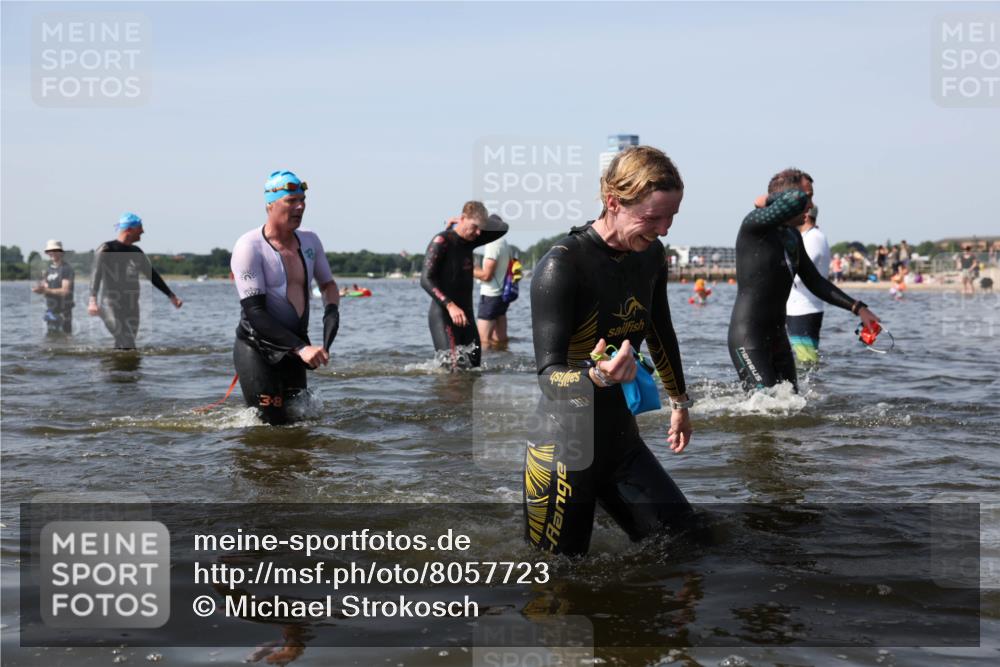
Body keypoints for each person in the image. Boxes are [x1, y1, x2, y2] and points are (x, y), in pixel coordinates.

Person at [526, 145, 694, 556]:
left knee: (691, 546)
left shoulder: (651, 255)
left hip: (621, 441)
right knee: (560, 580)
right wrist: (597, 377)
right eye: (653, 218)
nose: (664, 229)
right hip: (563, 449)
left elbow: (661, 330)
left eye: (671, 217)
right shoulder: (562, 266)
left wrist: (680, 402)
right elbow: (548, 376)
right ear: (614, 202)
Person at [728, 168, 880, 392]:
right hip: (749, 339)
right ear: (788, 198)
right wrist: (768, 200)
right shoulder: (755, 226)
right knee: (765, 411)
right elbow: (794, 199)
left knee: (792, 406)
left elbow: (815, 281)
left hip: (778, 339)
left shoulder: (792, 236)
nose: (810, 206)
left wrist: (858, 308)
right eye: (808, 197)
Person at [230, 170, 340, 425]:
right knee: (270, 426)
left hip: (294, 345)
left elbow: (328, 284)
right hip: (258, 345)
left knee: (299, 423)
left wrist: (331, 312)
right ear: (270, 204)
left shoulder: (310, 241)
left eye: (302, 200)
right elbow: (256, 313)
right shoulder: (249, 247)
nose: (300, 206)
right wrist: (302, 348)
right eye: (291, 201)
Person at [420, 201, 508, 369]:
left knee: (474, 369)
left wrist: (482, 221)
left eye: (481, 228)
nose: (478, 232)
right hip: (444, 314)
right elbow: (425, 279)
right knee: (453, 370)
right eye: (474, 226)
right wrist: (450, 305)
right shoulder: (442, 240)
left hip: (466, 316)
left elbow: (503, 227)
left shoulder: (471, 240)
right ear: (462, 218)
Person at [88, 213, 183, 349]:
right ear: (129, 229)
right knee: (128, 344)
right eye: (140, 228)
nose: (143, 231)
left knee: (125, 344)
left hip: (132, 306)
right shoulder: (106, 248)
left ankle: (112, 369)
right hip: (110, 305)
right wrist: (92, 301)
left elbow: (152, 275)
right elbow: (95, 274)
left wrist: (171, 296)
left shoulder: (137, 251)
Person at [785, 205, 831, 366]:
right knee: (798, 359)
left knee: (806, 361)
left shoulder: (814, 238)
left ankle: (812, 389)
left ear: (804, 216)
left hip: (805, 308)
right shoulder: (806, 236)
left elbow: (802, 273)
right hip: (797, 306)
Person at [475, 217, 513, 350]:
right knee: (500, 338)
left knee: (483, 340)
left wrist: (470, 268)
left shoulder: (493, 244)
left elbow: (486, 275)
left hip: (491, 295)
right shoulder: (504, 243)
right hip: (503, 295)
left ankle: (487, 367)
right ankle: (502, 359)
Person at [32, 239, 75, 334]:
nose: (52, 253)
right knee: (51, 339)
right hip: (51, 311)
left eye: (55, 250)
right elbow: (46, 288)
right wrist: (39, 290)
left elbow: (65, 291)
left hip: (64, 311)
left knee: (65, 339)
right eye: (49, 251)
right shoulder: (49, 270)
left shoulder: (67, 269)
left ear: (61, 252)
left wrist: (46, 290)